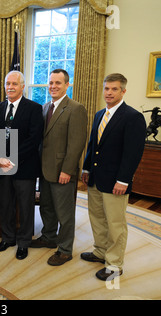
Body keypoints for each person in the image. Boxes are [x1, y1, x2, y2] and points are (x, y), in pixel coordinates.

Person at [81, 73, 146, 280]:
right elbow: (93, 145)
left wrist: (124, 180)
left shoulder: (133, 117)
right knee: (97, 219)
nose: (109, 92)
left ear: (123, 91)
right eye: (106, 88)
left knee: (116, 224)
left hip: (116, 181)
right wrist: (86, 168)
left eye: (114, 89)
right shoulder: (100, 114)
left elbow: (133, 153)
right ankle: (101, 251)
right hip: (96, 178)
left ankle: (115, 264)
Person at [30, 69, 88, 266]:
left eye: (58, 83)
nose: (53, 86)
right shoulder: (45, 107)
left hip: (62, 171)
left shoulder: (75, 108)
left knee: (64, 213)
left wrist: (67, 170)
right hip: (45, 169)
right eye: (51, 82)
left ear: (67, 85)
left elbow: (77, 143)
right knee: (46, 207)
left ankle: (64, 250)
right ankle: (49, 237)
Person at [0, 71, 43, 260]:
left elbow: (34, 139)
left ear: (22, 86)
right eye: (7, 83)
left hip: (24, 166)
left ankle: (23, 242)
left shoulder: (34, 108)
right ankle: (8, 238)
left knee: (25, 206)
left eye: (14, 83)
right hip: (2, 167)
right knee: (5, 205)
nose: (10, 87)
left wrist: (12, 158)